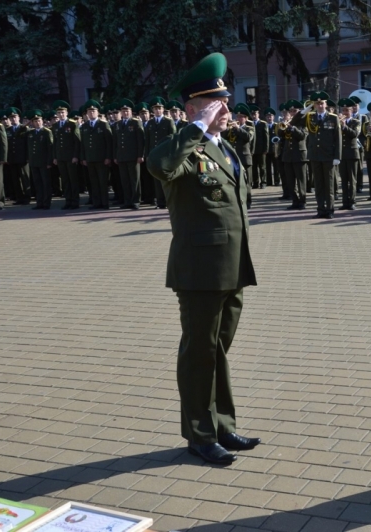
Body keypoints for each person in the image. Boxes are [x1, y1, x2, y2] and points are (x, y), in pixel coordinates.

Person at [146, 52, 261, 465]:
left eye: (226, 102)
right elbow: (158, 165)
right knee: (199, 351)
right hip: (198, 272)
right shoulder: (184, 148)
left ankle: (222, 425)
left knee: (218, 351)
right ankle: (198, 433)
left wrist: (206, 127)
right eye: (218, 104)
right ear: (194, 108)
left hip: (232, 268)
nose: (228, 110)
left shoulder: (223, 147)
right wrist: (194, 126)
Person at [79, 99, 114, 209]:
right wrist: (83, 158)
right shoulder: (84, 126)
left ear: (98, 112)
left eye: (93, 111)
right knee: (93, 182)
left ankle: (104, 203)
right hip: (90, 159)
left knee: (103, 182)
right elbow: (83, 144)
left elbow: (109, 143)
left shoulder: (103, 125)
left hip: (102, 159)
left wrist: (108, 157)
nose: (91, 113)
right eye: (89, 111)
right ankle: (96, 203)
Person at [113, 99, 145, 209]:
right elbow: (115, 142)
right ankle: (127, 201)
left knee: (134, 180)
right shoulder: (118, 124)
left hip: (133, 156)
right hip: (121, 156)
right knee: (125, 180)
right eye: (123, 111)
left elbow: (140, 140)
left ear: (131, 112)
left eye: (127, 111)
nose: (125, 113)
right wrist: (115, 156)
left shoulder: (136, 122)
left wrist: (140, 155)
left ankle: (136, 201)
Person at [51, 100, 82, 210]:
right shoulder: (55, 126)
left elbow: (77, 142)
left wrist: (75, 156)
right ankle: (68, 201)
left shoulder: (73, 124)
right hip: (60, 157)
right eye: (59, 113)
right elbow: (55, 143)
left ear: (67, 113)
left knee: (73, 180)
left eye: (63, 112)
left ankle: (75, 201)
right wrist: (55, 157)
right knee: (65, 180)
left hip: (70, 157)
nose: (61, 115)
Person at [26, 110, 54, 210]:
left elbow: (50, 148)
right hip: (34, 162)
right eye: (35, 121)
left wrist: (49, 162)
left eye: (39, 121)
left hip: (44, 162)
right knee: (37, 184)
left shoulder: (47, 132)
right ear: (32, 123)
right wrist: (25, 125)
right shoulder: (30, 133)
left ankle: (46, 203)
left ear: (42, 121)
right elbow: (18, 134)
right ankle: (39, 202)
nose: (37, 123)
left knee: (46, 183)